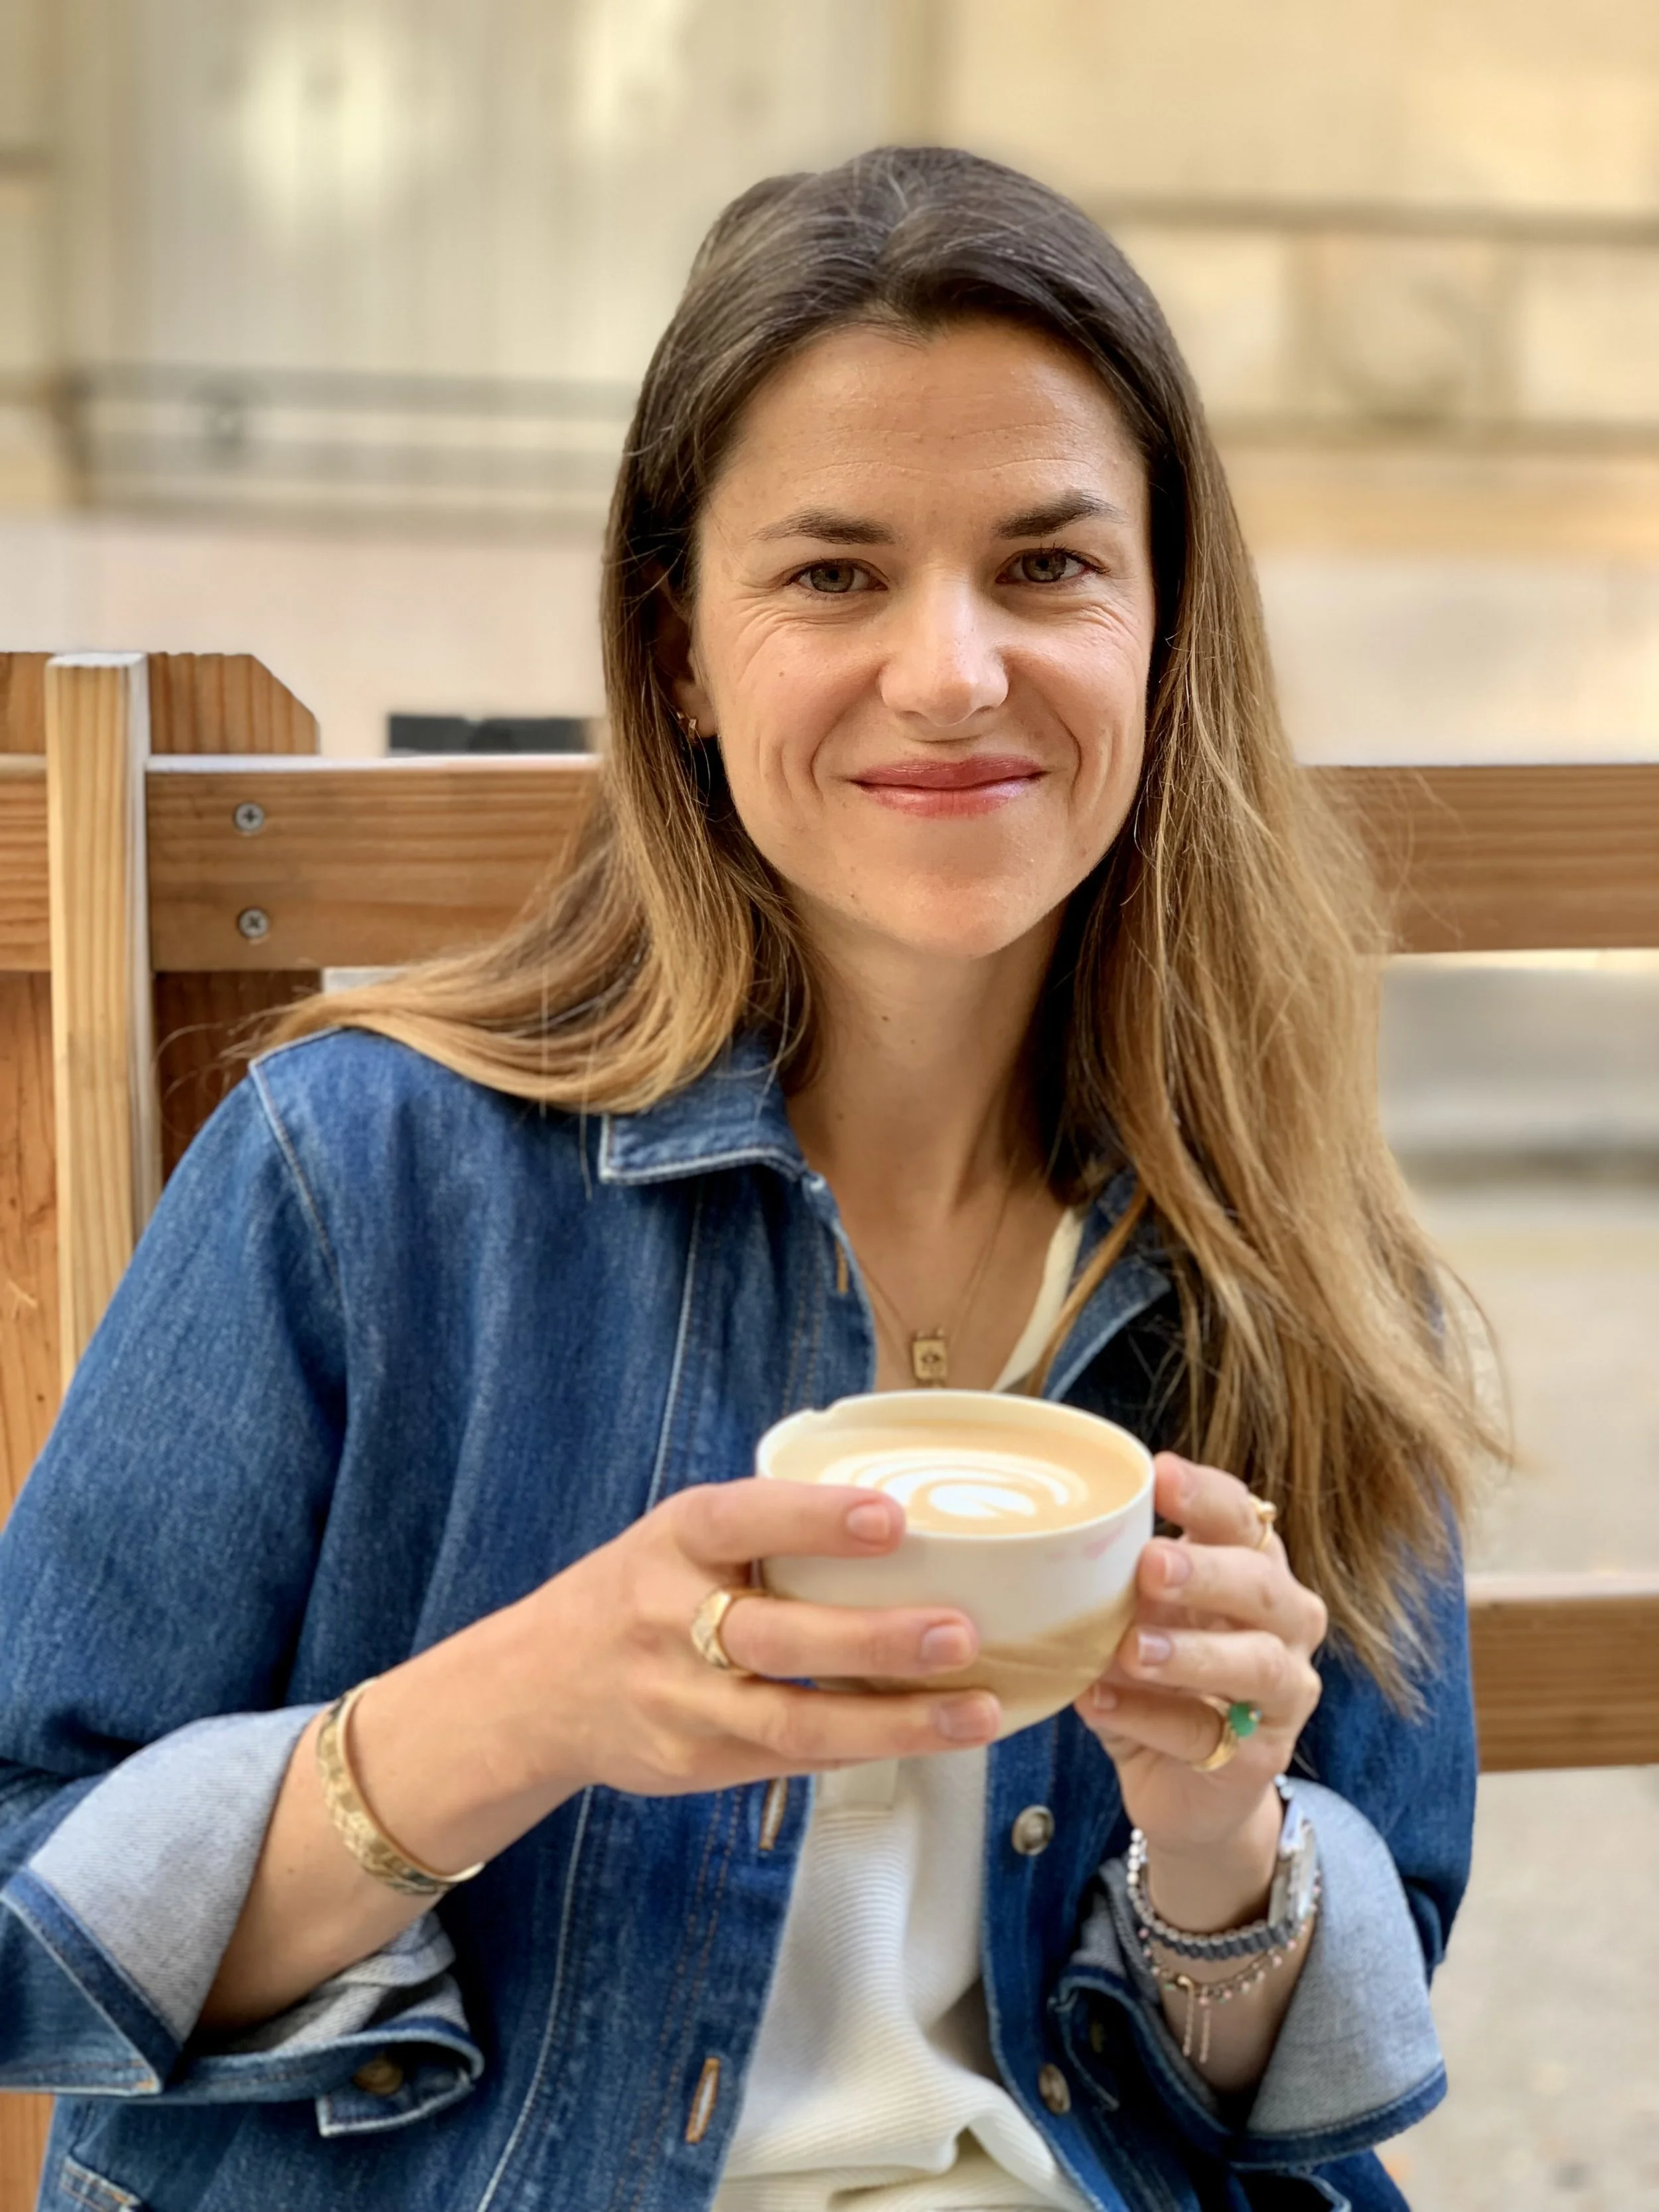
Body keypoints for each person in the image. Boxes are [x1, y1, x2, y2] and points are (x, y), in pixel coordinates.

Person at [0, 146, 1494, 2212]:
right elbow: (26, 1896)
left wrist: (1216, 1831)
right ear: (680, 650)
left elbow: (1339, 2027)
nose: (954, 669)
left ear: (1163, 630)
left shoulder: (1298, 1267)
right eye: (835, 573)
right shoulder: (355, 1175)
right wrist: (518, 1707)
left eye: (1048, 566)